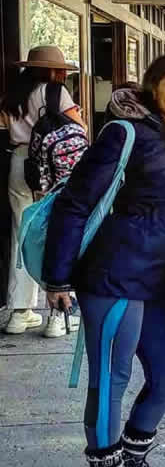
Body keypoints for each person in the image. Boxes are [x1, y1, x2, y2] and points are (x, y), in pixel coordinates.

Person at [44, 55, 165, 467]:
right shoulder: (125, 133)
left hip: (153, 282)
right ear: (155, 88)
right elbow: (74, 203)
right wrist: (57, 279)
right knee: (111, 379)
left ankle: (132, 456)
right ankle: (105, 459)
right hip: (113, 277)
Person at [0, 45, 86, 337]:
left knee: (22, 234)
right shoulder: (55, 92)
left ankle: (19, 313)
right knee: (55, 233)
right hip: (51, 165)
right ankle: (57, 315)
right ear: (53, 70)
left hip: (19, 163)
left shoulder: (12, 95)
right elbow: (79, 129)